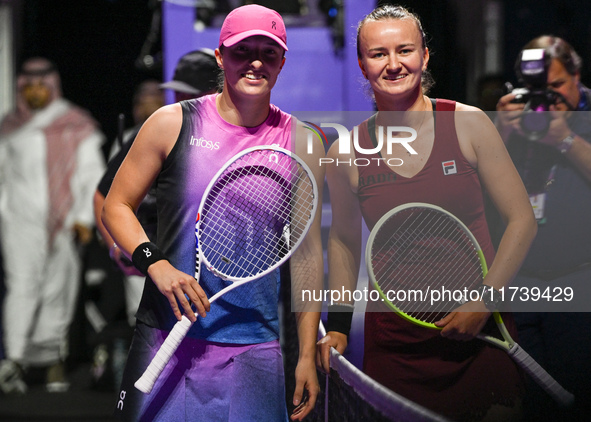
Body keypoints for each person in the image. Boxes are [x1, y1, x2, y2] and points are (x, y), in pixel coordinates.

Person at [101, 5, 324, 421]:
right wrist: (157, 264)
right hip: (165, 335)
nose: (256, 62)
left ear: (281, 63)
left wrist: (306, 355)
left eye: (268, 53)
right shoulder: (172, 123)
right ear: (221, 56)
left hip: (254, 345)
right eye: (243, 51)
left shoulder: (303, 141)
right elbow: (116, 206)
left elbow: (308, 257)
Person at [316, 5, 537, 421]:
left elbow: (522, 220)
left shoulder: (469, 124)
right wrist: (340, 326)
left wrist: (483, 302)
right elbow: (343, 243)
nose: (394, 64)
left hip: (481, 334)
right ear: (362, 64)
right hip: (397, 347)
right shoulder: (345, 151)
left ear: (426, 56)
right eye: (379, 54)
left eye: (405, 50)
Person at [495, 35, 591, 421]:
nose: (548, 98)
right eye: (538, 89)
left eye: (556, 86)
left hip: (579, 286)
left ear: (576, 77)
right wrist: (501, 130)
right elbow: (480, 190)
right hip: (522, 286)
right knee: (530, 402)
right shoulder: (518, 119)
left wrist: (564, 138)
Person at [0, 57, 106, 394]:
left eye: (39, 85)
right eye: (27, 85)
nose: (33, 91)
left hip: (65, 223)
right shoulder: (9, 127)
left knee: (57, 293)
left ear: (51, 85)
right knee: (22, 287)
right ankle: (16, 359)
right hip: (19, 222)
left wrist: (83, 218)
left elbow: (92, 174)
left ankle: (51, 362)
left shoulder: (75, 123)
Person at [94, 49, 219, 329]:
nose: (180, 101)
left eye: (190, 94)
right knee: (148, 338)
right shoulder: (156, 131)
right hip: (149, 257)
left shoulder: (234, 140)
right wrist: (121, 249)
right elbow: (105, 197)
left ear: (215, 92)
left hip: (208, 273)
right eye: (177, 92)